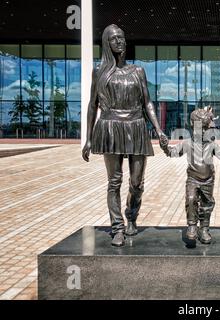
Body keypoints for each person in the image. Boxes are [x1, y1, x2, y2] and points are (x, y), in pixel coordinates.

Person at [82, 24, 168, 247]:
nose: (119, 41)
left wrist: (159, 130)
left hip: (136, 126)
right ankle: (117, 227)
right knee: (114, 181)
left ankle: (131, 216)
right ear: (107, 44)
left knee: (137, 182)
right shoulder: (99, 72)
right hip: (110, 127)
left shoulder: (138, 71)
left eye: (122, 37)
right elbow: (93, 105)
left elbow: (147, 102)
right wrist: (88, 138)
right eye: (114, 38)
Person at [160, 107, 220, 244]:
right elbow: (172, 152)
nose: (203, 131)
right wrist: (165, 147)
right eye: (200, 128)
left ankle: (204, 228)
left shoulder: (211, 145)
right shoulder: (188, 143)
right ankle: (191, 226)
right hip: (193, 179)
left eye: (206, 129)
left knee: (207, 204)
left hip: (208, 180)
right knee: (191, 199)